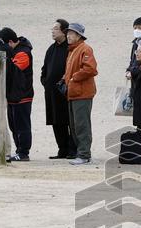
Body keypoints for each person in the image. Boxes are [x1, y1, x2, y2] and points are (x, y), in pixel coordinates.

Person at [63, 23, 98, 165]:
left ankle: (84, 154)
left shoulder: (85, 49)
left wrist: (73, 78)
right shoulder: (72, 50)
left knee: (82, 125)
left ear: (79, 36)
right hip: (74, 93)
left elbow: (91, 69)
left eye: (71, 33)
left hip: (82, 93)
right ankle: (81, 153)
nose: (68, 36)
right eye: (68, 33)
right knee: (75, 125)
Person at [41, 19, 75, 159]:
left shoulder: (70, 48)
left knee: (69, 121)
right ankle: (62, 149)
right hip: (51, 92)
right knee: (56, 121)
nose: (53, 31)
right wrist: (44, 81)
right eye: (52, 29)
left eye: (55, 28)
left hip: (66, 91)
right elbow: (45, 68)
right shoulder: (51, 48)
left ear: (64, 31)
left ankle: (73, 150)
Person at [0, 27, 34, 162]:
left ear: (9, 42)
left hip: (22, 96)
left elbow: (12, 70)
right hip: (13, 96)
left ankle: (24, 152)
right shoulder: (15, 52)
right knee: (14, 126)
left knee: (22, 126)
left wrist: (7, 58)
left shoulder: (23, 53)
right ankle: (19, 150)